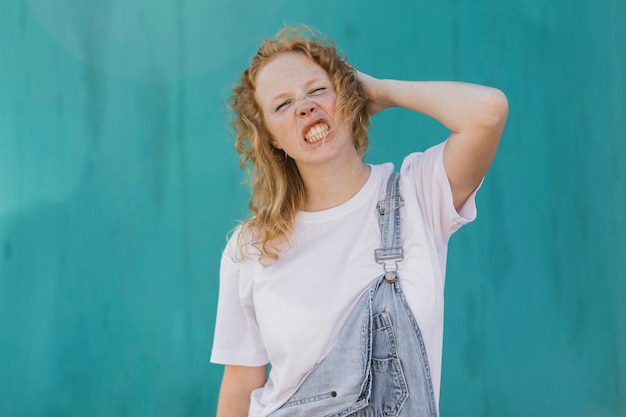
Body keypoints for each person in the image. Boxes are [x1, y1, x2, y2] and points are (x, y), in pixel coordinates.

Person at [211, 26, 508, 417]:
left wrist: (380, 91)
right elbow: (238, 390)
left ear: (347, 98)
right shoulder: (250, 248)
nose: (304, 106)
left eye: (317, 90)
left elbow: (487, 112)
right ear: (272, 140)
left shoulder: (418, 196)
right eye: (282, 105)